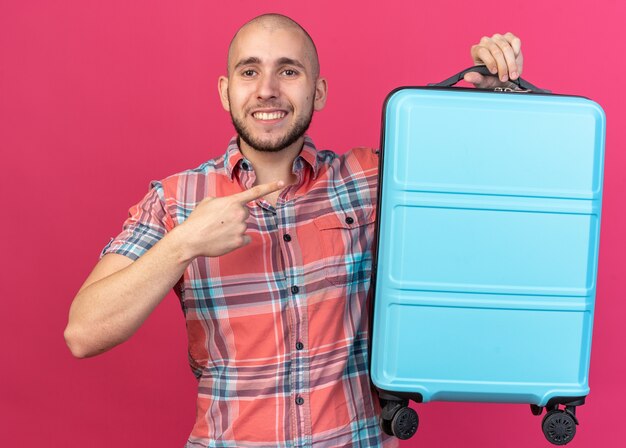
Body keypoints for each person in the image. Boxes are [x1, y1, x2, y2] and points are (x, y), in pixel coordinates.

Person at [64, 13, 524, 447]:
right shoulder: (174, 201)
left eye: (288, 72)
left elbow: (485, 197)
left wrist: (491, 101)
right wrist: (183, 243)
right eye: (249, 72)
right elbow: (83, 332)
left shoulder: (372, 179)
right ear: (225, 92)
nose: (267, 90)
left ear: (318, 91)